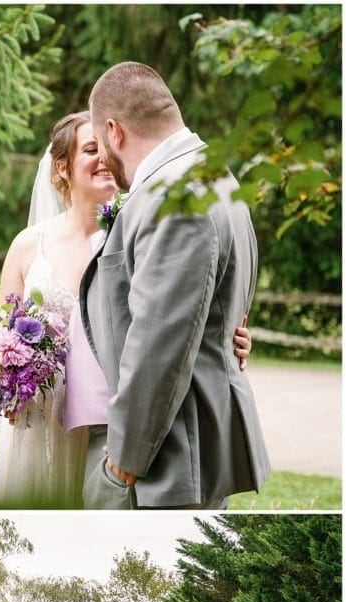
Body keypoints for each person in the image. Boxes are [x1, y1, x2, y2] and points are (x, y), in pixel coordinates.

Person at [0, 112, 253, 508]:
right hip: (46, 424)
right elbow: (3, 339)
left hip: (116, 423)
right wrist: (3, 384)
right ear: (62, 167)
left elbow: (176, 315)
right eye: (90, 150)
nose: (103, 159)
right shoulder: (28, 246)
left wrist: (230, 337)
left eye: (106, 149)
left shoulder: (137, 232)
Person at [73, 62, 270, 509]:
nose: (103, 159)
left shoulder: (175, 198)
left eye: (101, 145)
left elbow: (159, 342)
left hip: (169, 460)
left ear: (114, 131)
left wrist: (125, 459)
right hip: (190, 450)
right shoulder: (214, 177)